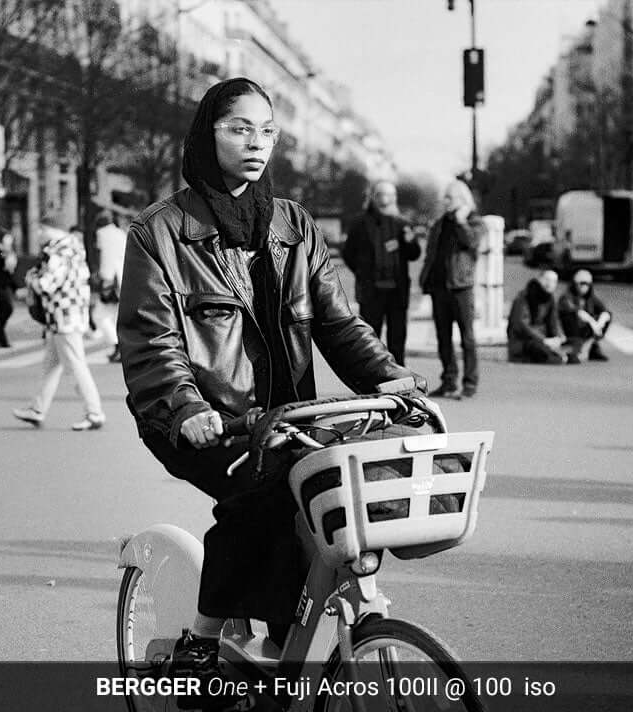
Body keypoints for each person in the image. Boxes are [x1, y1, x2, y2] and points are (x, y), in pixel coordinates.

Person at [117, 78, 421, 688]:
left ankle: (284, 641)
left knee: (334, 504)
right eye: (239, 128)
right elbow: (152, 347)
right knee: (262, 492)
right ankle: (201, 644)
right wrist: (184, 408)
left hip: (288, 418)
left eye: (267, 131)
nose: (256, 143)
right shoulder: (159, 234)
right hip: (203, 419)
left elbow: (339, 324)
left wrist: (397, 381)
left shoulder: (293, 225)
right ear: (207, 135)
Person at [13, 216, 106, 431]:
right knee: (51, 365)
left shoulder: (57, 252)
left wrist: (29, 280)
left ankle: (94, 412)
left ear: (51, 230)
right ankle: (37, 409)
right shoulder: (75, 248)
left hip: (63, 316)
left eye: (41, 230)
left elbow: (47, 284)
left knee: (75, 365)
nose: (38, 235)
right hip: (69, 314)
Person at [418, 179, 486, 398]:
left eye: (450, 197)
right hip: (440, 288)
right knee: (443, 337)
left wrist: (461, 221)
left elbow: (472, 243)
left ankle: (470, 383)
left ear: (462, 199)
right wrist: (425, 278)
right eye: (445, 197)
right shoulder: (440, 223)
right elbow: (431, 253)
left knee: (467, 338)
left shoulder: (474, 221)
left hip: (461, 287)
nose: (445, 201)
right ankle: (448, 380)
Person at [341, 180, 420, 365]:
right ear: (374, 197)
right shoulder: (360, 223)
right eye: (383, 194)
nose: (387, 199)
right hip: (371, 291)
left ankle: (399, 377)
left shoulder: (402, 223)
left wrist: (410, 241)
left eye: (391, 195)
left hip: (397, 291)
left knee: (397, 339)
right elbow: (348, 253)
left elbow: (414, 254)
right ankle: (372, 378)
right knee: (371, 339)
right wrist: (362, 272)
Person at [506, 269, 567, 365]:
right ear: (540, 280)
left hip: (544, 340)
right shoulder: (524, 297)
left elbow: (554, 321)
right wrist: (544, 340)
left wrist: (559, 337)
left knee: (573, 346)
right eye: (547, 280)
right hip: (524, 342)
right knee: (549, 356)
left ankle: (560, 354)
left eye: (554, 281)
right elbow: (521, 325)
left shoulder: (550, 299)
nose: (550, 284)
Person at [558, 269, 611, 363]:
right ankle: (581, 348)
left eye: (587, 284)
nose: (584, 287)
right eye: (582, 283)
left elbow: (605, 312)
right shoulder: (566, 297)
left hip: (586, 330)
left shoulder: (591, 298)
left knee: (606, 315)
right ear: (575, 284)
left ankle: (589, 346)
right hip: (571, 330)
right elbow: (578, 312)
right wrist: (593, 323)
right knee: (573, 315)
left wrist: (599, 323)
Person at [94, 210, 126, 363]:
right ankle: (118, 348)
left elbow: (106, 257)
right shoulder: (121, 233)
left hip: (111, 280)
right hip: (124, 278)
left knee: (99, 316)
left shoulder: (102, 234)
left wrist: (104, 279)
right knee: (115, 316)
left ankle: (117, 345)